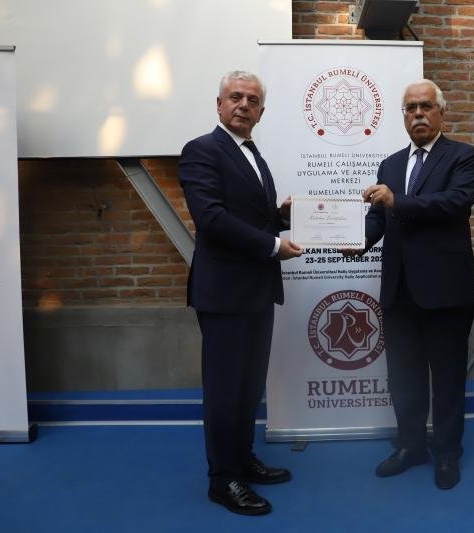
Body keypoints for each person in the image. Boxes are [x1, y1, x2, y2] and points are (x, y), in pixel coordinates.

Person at [348, 79, 474, 489]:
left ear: (441, 112)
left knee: (447, 378)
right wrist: (355, 241)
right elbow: (377, 220)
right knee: (404, 377)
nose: (418, 114)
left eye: (426, 106)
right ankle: (411, 446)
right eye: (410, 108)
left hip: (446, 291)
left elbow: (454, 203)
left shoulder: (464, 156)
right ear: (403, 115)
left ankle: (447, 452)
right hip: (398, 291)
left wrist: (396, 201)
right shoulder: (389, 165)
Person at [179, 70, 302, 515]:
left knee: (249, 388)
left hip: (257, 290)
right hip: (224, 293)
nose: (243, 105)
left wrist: (280, 217)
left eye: (252, 100)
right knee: (225, 391)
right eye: (235, 97)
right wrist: (272, 245)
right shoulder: (201, 151)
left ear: (261, 112)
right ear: (219, 104)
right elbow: (211, 219)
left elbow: (251, 217)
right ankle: (223, 479)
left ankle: (243, 459)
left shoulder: (254, 155)